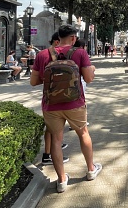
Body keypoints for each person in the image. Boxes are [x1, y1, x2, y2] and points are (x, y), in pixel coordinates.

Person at [31, 25, 102, 193]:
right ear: (73, 38)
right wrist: (91, 69)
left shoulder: (43, 55)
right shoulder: (80, 53)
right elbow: (89, 79)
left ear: (58, 37)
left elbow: (34, 82)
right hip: (75, 102)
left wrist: (52, 80)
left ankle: (61, 180)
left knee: (56, 139)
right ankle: (91, 169)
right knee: (83, 133)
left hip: (51, 104)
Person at [41, 32, 69, 165]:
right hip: (55, 98)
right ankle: (49, 155)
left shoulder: (44, 54)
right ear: (57, 42)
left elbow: (36, 80)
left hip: (48, 98)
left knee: (51, 129)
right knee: (53, 130)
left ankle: (49, 153)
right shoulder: (51, 55)